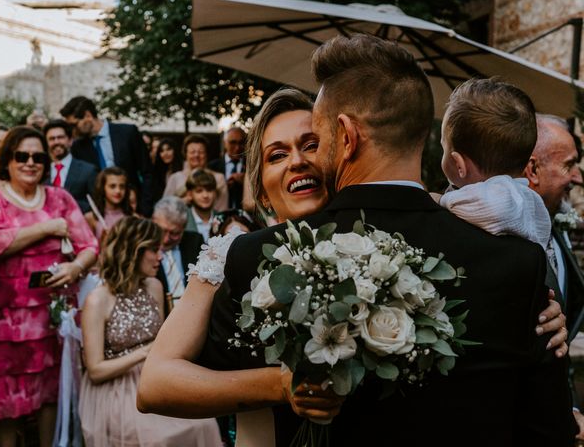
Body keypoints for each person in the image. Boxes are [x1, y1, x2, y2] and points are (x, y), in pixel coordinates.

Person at [145, 35, 575, 445]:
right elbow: (546, 432)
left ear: (345, 138)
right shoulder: (514, 259)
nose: (302, 161)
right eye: (278, 154)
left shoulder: (257, 260)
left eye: (316, 140)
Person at [0, 126, 98, 447]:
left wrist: (76, 265)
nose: (30, 162)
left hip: (48, 317)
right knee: (7, 399)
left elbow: (90, 245)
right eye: (22, 156)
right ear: (7, 160)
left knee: (48, 393)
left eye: (37, 156)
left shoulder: (59, 198)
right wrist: (48, 226)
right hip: (1, 320)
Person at [79, 216, 222, 447]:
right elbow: (95, 370)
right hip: (116, 388)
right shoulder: (98, 300)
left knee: (203, 423)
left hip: (155, 376)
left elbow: (164, 340)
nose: (160, 256)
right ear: (132, 251)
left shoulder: (154, 287)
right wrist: (145, 353)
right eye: (154, 249)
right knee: (158, 438)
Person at [524, 114, 584, 439]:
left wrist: (570, 410)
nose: (577, 177)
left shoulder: (553, 224)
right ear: (532, 170)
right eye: (569, 165)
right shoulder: (504, 244)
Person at [438, 78, 552, 249]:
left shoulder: (502, 197)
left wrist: (441, 201)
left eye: (443, 147)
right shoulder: (526, 198)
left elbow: (491, 208)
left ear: (459, 165)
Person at [61, 96, 154, 216]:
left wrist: (145, 210)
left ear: (88, 115)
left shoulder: (128, 133)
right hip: (101, 214)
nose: (72, 131)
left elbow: (147, 172)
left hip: (134, 209)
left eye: (74, 125)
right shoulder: (78, 147)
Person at [151, 196, 204, 315]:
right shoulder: (144, 248)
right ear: (153, 220)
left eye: (174, 233)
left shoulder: (195, 242)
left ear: (183, 228)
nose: (165, 239)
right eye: (162, 230)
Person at [163, 134, 229, 211]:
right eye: (192, 152)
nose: (196, 155)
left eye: (201, 152)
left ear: (207, 154)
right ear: (185, 154)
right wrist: (183, 201)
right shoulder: (175, 178)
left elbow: (222, 208)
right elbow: (164, 206)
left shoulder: (218, 178)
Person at [44, 119, 97, 213]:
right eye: (52, 139)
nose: (56, 142)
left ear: (70, 141)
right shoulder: (41, 171)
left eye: (60, 137)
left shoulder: (88, 170)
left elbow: (96, 205)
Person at [84, 166, 133, 243]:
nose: (118, 191)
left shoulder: (133, 217)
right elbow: (88, 249)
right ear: (102, 188)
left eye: (122, 186)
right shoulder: (91, 218)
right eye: (112, 186)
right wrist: (102, 242)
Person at [208, 127, 247, 209]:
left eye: (241, 143)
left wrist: (246, 182)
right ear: (225, 143)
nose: (237, 147)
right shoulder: (212, 166)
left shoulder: (251, 165)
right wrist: (224, 185)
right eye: (233, 142)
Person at [184, 169, 217, 242]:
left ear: (215, 193)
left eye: (209, 190)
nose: (205, 195)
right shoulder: (182, 219)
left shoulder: (222, 219)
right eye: (199, 191)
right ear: (189, 194)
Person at [149, 137, 182, 204]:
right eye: (162, 151)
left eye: (168, 149)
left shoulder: (184, 168)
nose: (165, 153)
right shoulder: (158, 172)